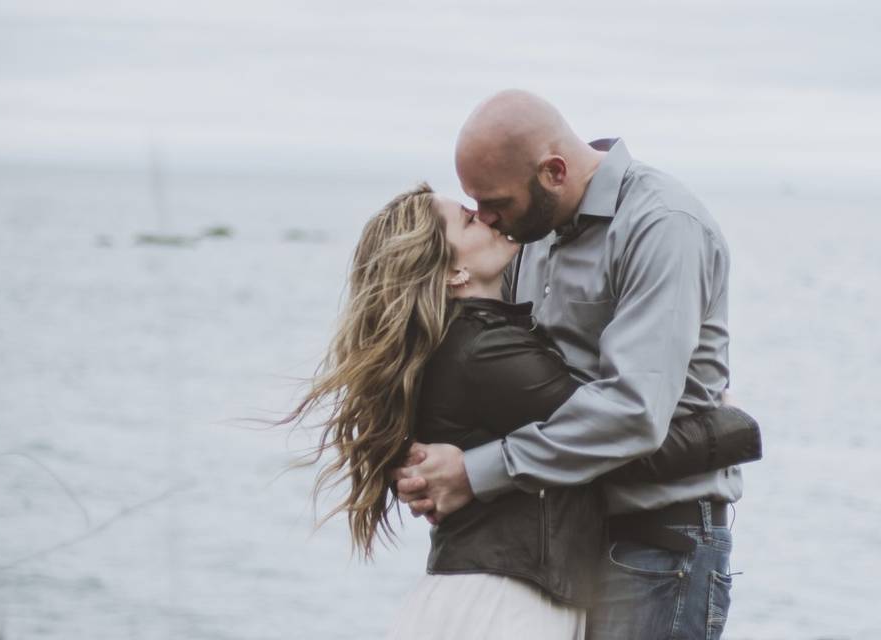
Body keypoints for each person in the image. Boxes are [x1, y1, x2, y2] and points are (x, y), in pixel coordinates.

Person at [280, 182, 760, 639]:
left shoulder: (460, 343)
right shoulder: (487, 353)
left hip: (486, 594)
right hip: (503, 606)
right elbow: (622, 442)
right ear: (454, 273)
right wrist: (734, 429)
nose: (487, 218)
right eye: (470, 221)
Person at [392, 90, 745, 640]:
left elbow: (633, 412)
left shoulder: (662, 225)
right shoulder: (529, 232)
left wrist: (475, 471)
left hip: (657, 539)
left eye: (496, 203)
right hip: (571, 540)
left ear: (553, 171)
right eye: (474, 205)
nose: (486, 218)